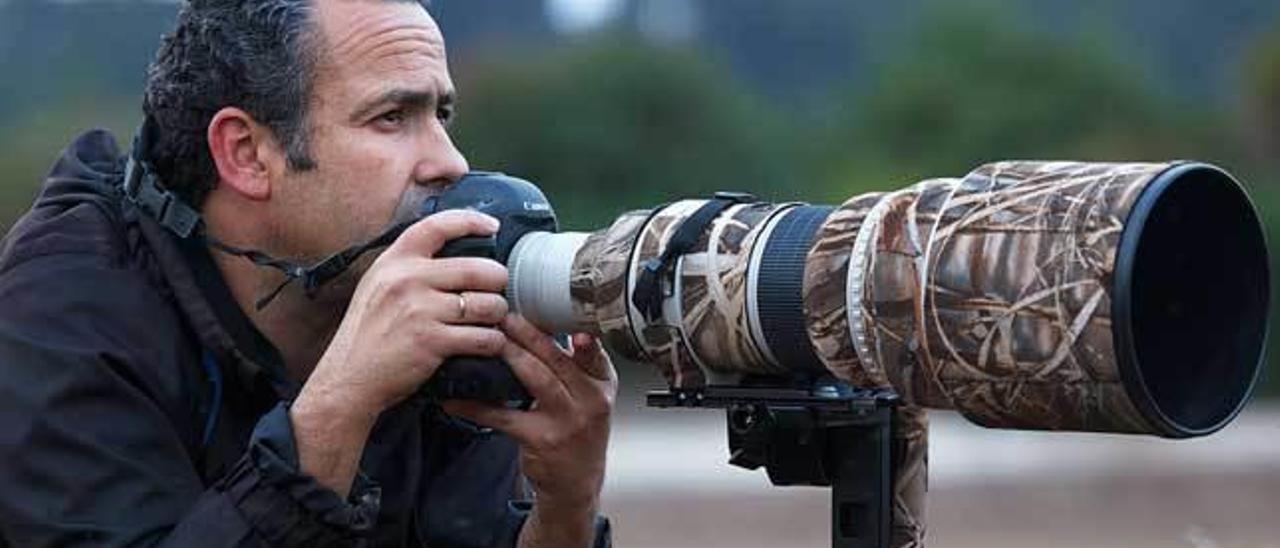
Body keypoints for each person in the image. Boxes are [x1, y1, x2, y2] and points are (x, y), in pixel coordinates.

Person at [0, 0, 616, 546]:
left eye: (442, 115)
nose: (449, 163)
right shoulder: (64, 315)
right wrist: (336, 410)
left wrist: (564, 507)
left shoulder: (427, 302)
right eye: (392, 117)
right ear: (246, 154)